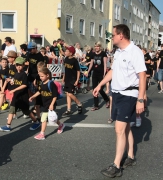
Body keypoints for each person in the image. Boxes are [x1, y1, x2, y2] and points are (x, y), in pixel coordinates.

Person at [93, 24, 146, 178]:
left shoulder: (135, 52)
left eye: (113, 35)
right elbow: (113, 71)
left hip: (128, 95)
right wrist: (100, 84)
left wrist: (140, 99)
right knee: (126, 127)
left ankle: (116, 165)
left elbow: (142, 76)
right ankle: (130, 156)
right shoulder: (118, 52)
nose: (112, 38)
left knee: (119, 129)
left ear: (121, 35)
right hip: (116, 94)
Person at [29, 67, 65, 140]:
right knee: (52, 119)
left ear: (47, 75)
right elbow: (39, 91)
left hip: (50, 103)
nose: (40, 77)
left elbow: (55, 96)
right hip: (45, 103)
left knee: (43, 119)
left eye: (42, 76)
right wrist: (33, 96)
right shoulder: (42, 83)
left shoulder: (51, 84)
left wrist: (52, 104)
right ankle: (61, 125)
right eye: (40, 76)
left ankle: (42, 134)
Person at [0, 57, 31, 132]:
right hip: (16, 96)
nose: (18, 66)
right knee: (11, 110)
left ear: (23, 66)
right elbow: (15, 82)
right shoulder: (16, 74)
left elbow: (24, 85)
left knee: (26, 111)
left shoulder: (24, 74)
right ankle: (8, 125)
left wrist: (14, 90)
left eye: (20, 65)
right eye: (17, 65)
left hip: (23, 96)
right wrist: (11, 81)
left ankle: (35, 121)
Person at [86, 42, 109, 111]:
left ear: (100, 47)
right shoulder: (93, 54)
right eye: (95, 46)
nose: (96, 48)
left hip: (101, 73)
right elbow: (91, 64)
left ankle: (107, 100)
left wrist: (104, 73)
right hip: (95, 73)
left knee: (101, 89)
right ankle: (96, 105)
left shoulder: (103, 54)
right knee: (94, 89)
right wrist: (88, 71)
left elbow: (105, 64)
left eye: (98, 46)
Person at [62, 46, 83, 115]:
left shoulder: (74, 60)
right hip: (67, 79)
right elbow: (65, 70)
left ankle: (79, 103)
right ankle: (69, 109)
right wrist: (63, 77)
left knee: (70, 94)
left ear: (71, 53)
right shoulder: (66, 59)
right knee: (67, 94)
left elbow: (78, 70)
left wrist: (77, 80)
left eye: (67, 51)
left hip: (73, 79)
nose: (65, 52)